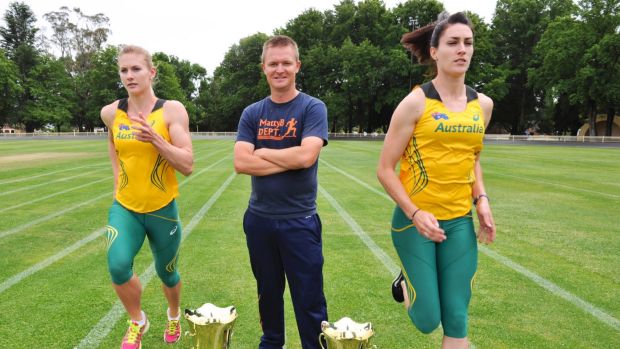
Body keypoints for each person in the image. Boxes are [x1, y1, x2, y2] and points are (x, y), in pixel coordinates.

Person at [376, 12, 496, 349]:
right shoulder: (415, 103)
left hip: (459, 221)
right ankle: (404, 284)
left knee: (456, 316)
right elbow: (385, 168)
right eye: (453, 43)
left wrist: (482, 200)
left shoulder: (483, 106)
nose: (462, 50)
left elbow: (472, 158)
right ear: (434, 52)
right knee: (428, 318)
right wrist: (415, 213)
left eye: (468, 43)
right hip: (414, 223)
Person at [233, 35, 329, 349]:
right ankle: (272, 343)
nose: (280, 69)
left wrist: (261, 152)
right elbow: (240, 163)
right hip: (259, 221)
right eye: (273, 63)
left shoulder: (312, 107)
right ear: (264, 68)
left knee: (309, 298)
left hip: (299, 221)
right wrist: (289, 157)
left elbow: (306, 157)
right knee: (268, 294)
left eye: (286, 62)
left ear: (297, 66)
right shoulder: (252, 113)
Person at [100, 44, 193, 349]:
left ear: (151, 72)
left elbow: (187, 164)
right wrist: (117, 183)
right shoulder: (111, 113)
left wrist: (156, 140)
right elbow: (114, 149)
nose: (129, 75)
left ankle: (174, 314)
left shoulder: (171, 111)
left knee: (168, 275)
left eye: (136, 69)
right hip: (125, 207)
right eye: (124, 70)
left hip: (161, 209)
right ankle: (137, 320)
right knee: (118, 265)